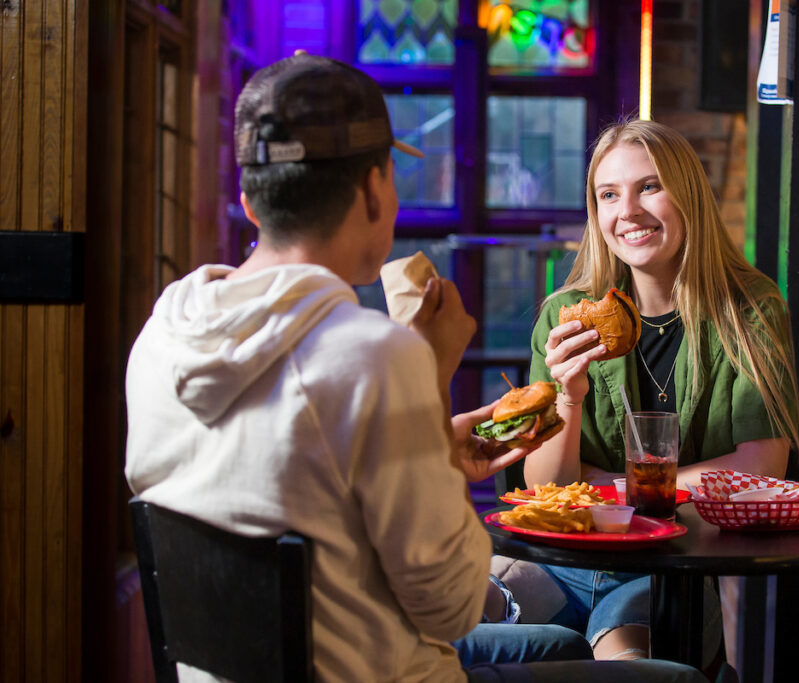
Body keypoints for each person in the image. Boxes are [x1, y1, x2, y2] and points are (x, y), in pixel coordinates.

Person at [124, 54, 707, 683]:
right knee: (678, 679)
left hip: (240, 666)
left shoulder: (161, 335)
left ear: (250, 202)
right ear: (376, 190)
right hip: (379, 670)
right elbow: (453, 603)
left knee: (559, 643)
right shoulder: (378, 355)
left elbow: (281, 480)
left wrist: (432, 446)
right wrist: (425, 385)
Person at [497, 118, 799, 667]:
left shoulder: (749, 307)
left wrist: (609, 487)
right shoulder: (563, 316)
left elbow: (762, 467)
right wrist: (568, 394)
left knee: (626, 668)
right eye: (608, 195)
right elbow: (544, 485)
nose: (627, 212)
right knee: (469, 633)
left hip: (670, 565)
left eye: (650, 187)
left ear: (688, 197)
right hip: (563, 560)